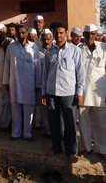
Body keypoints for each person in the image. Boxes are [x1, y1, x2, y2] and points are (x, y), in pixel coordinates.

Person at [42, 22, 85, 163]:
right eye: (56, 32)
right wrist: (44, 92)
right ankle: (56, 147)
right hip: (51, 92)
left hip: (68, 92)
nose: (59, 35)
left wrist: (79, 93)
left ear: (66, 33)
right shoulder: (50, 52)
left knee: (70, 123)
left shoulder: (74, 50)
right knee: (53, 122)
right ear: (53, 33)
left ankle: (72, 151)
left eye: (61, 32)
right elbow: (45, 74)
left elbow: (80, 73)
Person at [3, 24, 41, 141]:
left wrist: (37, 84)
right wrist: (6, 82)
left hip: (29, 84)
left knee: (28, 108)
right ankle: (15, 133)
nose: (21, 35)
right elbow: (7, 65)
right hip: (14, 83)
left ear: (27, 33)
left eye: (23, 32)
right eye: (19, 33)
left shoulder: (33, 47)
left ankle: (27, 133)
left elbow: (37, 66)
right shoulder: (11, 47)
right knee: (15, 108)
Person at [78, 24, 106, 161]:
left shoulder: (104, 48)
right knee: (83, 121)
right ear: (83, 34)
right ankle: (86, 147)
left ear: (96, 35)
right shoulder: (78, 49)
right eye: (87, 34)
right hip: (82, 92)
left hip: (101, 93)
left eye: (93, 34)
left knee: (101, 122)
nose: (90, 36)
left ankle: (102, 149)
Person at [34, 28, 52, 136]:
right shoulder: (38, 53)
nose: (46, 41)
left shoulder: (55, 51)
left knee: (54, 110)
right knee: (44, 110)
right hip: (41, 86)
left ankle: (59, 130)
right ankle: (48, 130)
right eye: (44, 39)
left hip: (54, 86)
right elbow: (35, 69)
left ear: (51, 38)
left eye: (48, 39)